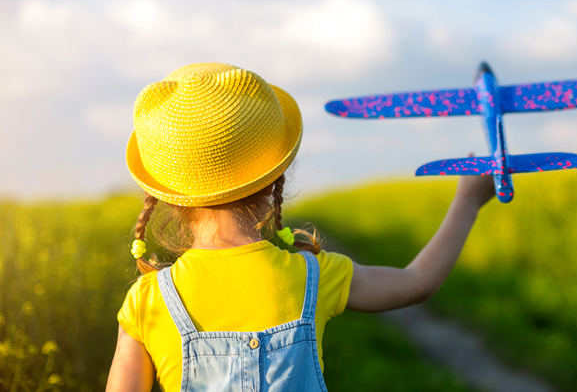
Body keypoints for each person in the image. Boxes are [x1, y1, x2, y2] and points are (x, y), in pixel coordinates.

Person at [107, 62, 495, 392]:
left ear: (169, 197)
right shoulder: (312, 274)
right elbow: (417, 283)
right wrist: (467, 202)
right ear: (275, 179)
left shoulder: (147, 300)